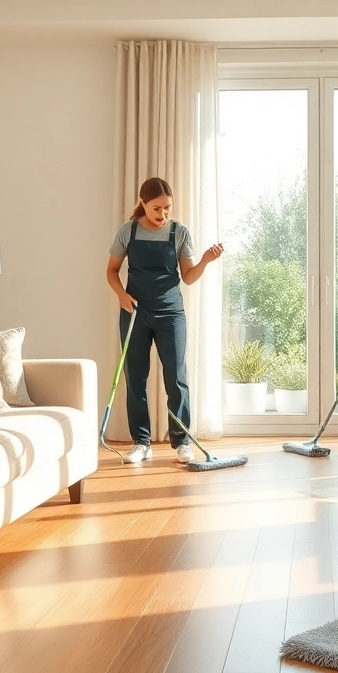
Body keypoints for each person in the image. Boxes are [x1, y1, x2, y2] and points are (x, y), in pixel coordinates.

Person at [106, 177, 223, 464]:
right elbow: (111, 271)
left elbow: (189, 277)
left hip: (171, 312)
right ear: (143, 203)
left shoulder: (180, 232)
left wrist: (206, 259)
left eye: (167, 208)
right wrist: (121, 294)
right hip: (135, 313)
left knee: (176, 376)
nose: (163, 215)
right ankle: (141, 442)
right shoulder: (128, 231)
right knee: (135, 377)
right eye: (157, 208)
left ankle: (181, 441)